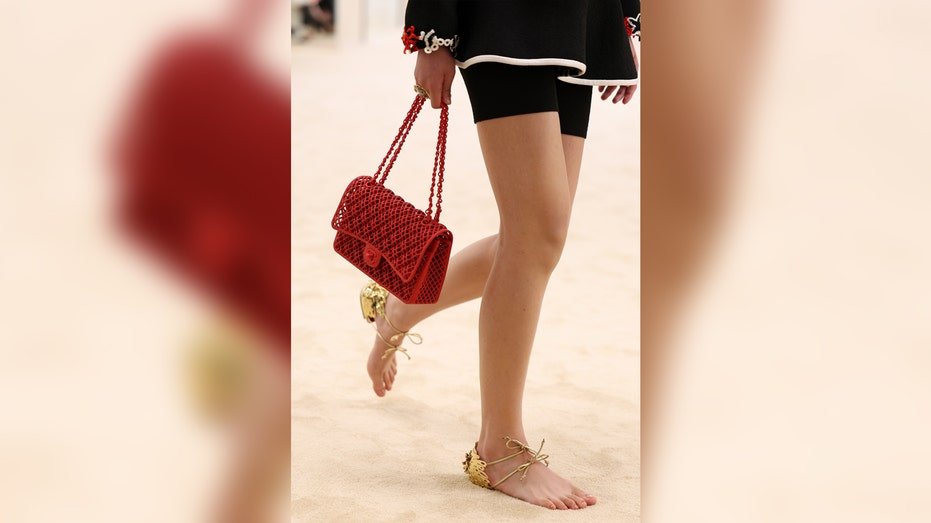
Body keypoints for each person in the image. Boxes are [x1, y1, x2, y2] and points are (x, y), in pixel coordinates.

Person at [360, 0, 639, 511]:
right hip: (504, 13)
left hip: (579, 14)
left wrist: (623, 20)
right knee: (536, 233)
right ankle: (499, 448)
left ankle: (400, 309)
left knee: (538, 238)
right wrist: (433, 31)